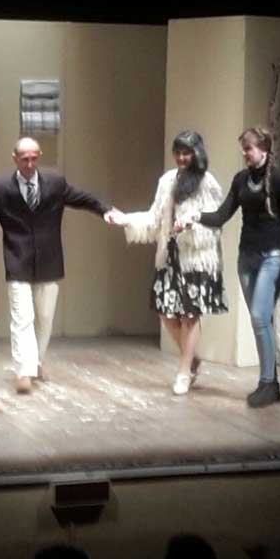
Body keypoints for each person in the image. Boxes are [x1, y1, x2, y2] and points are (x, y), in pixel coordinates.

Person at [0, 137, 121, 394]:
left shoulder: (55, 183)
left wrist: (105, 210)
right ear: (15, 159)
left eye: (33, 158)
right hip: (17, 259)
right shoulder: (1, 188)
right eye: (24, 159)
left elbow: (82, 198)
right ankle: (24, 372)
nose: (30, 164)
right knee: (22, 318)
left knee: (44, 318)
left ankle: (38, 361)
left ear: (39, 156)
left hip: (49, 260)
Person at [176, 126, 280, 408]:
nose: (245, 154)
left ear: (263, 149)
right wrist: (195, 216)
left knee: (260, 316)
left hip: (273, 255)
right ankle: (271, 383)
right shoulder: (241, 180)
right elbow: (222, 215)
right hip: (246, 257)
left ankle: (267, 383)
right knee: (261, 320)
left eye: (248, 148)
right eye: (243, 149)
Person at [111, 131, 227, 394]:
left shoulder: (207, 182)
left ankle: (184, 372)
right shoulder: (167, 181)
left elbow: (215, 221)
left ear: (197, 153)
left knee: (190, 314)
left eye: (187, 153)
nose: (182, 158)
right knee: (165, 311)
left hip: (196, 258)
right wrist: (126, 219)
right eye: (178, 153)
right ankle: (192, 359)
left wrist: (191, 224)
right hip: (170, 255)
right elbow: (155, 218)